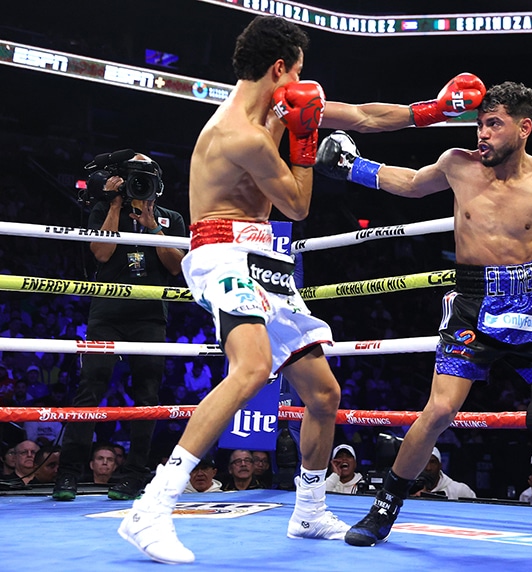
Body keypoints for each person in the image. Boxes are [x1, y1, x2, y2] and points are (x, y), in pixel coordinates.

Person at [117, 15, 485, 565]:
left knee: (322, 393)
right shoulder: (238, 133)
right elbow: (297, 204)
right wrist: (306, 139)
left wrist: (432, 112)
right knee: (249, 370)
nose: (303, 84)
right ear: (280, 68)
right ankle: (151, 507)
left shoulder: (278, 107)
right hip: (222, 251)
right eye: (299, 71)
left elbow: (363, 116)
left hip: (263, 256)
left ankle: (309, 510)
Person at [316, 81, 532, 547]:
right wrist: (353, 168)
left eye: (494, 124)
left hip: (531, 305)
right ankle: (385, 507)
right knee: (440, 410)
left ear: (524, 127)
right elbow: (410, 184)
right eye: (480, 124)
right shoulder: (457, 164)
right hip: (472, 304)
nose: (482, 135)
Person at [52, 152, 186, 502]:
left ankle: (133, 475)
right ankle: (68, 474)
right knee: (90, 390)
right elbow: (101, 252)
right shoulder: (104, 210)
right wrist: (114, 206)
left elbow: (176, 267)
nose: (139, 186)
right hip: (107, 314)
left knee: (147, 397)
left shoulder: (171, 219)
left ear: (158, 186)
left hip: (149, 318)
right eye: (133, 179)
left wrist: (152, 223)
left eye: (145, 180)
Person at [410, 447, 475, 500]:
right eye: (424, 462)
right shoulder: (409, 489)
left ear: (440, 465)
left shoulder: (460, 490)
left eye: (432, 462)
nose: (428, 468)